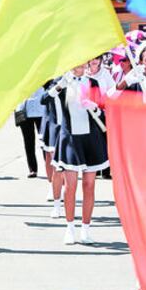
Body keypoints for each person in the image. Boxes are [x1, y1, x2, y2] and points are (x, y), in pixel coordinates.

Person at [45, 66, 108, 245]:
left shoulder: (93, 83)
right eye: (75, 62)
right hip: (70, 139)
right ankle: (70, 228)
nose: (78, 65)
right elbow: (45, 100)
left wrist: (95, 108)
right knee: (70, 186)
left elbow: (103, 112)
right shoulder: (62, 82)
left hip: (91, 139)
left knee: (89, 185)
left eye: (82, 62)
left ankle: (85, 230)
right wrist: (60, 85)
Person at [39, 80, 64, 218]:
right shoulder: (51, 80)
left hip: (72, 126)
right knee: (52, 160)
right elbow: (43, 99)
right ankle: (53, 190)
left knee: (66, 167)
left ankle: (62, 193)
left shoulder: (81, 79)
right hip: (53, 122)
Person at [16, 87, 46, 178]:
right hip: (23, 110)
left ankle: (49, 167)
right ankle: (32, 169)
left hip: (40, 109)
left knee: (45, 141)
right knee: (28, 142)